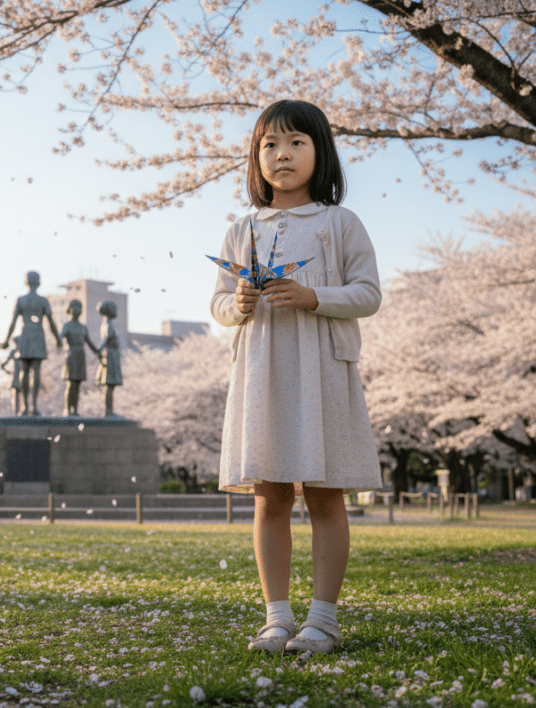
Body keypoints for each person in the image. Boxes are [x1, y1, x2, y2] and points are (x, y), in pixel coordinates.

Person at [210, 99, 382, 655]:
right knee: (269, 496)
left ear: (320, 152)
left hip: (322, 371)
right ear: (255, 158)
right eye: (269, 145)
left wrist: (314, 297)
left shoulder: (340, 223)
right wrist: (236, 303)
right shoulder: (241, 229)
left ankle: (323, 620)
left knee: (327, 496)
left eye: (296, 143)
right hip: (262, 372)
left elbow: (369, 294)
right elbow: (217, 306)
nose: (282, 155)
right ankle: (276, 618)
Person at [1, 271, 61, 415]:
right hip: (37, 335)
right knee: (36, 371)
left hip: (26, 334)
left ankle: (24, 406)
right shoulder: (42, 300)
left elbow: (13, 323)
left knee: (24, 371)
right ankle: (33, 406)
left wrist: (5, 341)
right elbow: (51, 322)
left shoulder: (21, 300)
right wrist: (57, 339)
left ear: (26, 282)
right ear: (38, 283)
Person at [61, 299, 99, 416]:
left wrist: (98, 352)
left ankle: (75, 409)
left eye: (79, 307)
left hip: (80, 354)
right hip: (71, 354)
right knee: (71, 383)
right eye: (74, 307)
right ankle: (67, 409)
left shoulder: (83, 327)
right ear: (69, 309)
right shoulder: (67, 325)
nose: (77, 310)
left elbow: (89, 342)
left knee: (77, 384)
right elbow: (60, 337)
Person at [96, 300, 122, 416]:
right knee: (109, 384)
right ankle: (109, 411)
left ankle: (109, 410)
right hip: (110, 354)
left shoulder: (106, 323)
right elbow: (106, 338)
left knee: (110, 385)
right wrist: (99, 350)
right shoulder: (108, 323)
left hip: (110, 353)